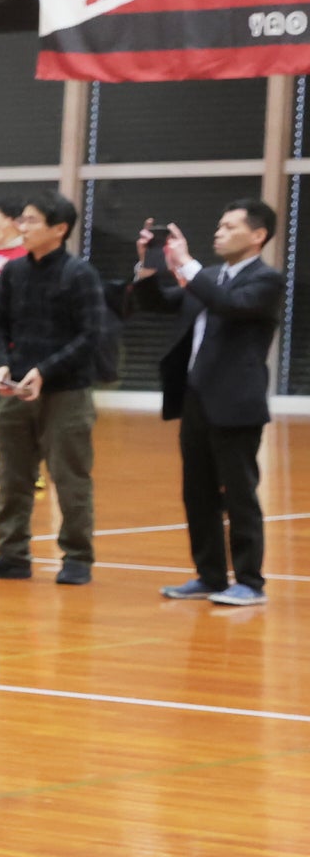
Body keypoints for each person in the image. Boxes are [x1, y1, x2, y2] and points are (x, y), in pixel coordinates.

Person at [130, 198, 282, 607]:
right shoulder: (209, 277)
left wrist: (187, 264)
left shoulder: (267, 280)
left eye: (230, 227)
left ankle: (250, 582)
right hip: (196, 398)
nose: (219, 232)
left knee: (239, 494)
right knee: (197, 493)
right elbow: (158, 302)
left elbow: (230, 305)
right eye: (219, 225)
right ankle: (210, 575)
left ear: (258, 235)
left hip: (236, 403)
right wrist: (149, 264)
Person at [0, 190, 106, 585]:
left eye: (31, 220)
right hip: (16, 390)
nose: (22, 227)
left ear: (59, 229)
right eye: (22, 220)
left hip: (67, 393)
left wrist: (44, 371)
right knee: (12, 475)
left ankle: (77, 557)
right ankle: (12, 554)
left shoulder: (79, 274)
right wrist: (0, 364)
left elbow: (90, 336)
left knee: (70, 476)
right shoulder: (14, 272)